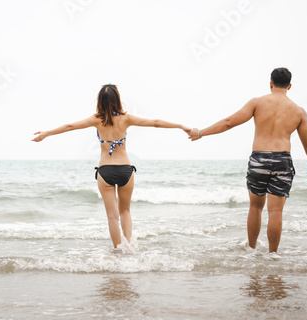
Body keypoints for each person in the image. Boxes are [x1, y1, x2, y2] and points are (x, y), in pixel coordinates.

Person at [33, 84, 191, 248]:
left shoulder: (96, 120)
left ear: (100, 101)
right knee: (125, 211)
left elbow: (69, 126)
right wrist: (181, 126)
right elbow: (155, 123)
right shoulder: (126, 119)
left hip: (105, 170)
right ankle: (129, 248)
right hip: (125, 170)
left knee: (112, 216)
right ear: (118, 100)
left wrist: (46, 133)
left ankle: (118, 250)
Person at [188, 68, 307, 253]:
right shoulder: (299, 111)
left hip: (259, 159)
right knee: (275, 211)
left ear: (271, 83)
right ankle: (272, 255)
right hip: (282, 160)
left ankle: (251, 250)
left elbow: (229, 122)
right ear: (289, 86)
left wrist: (201, 133)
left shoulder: (257, 103)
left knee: (255, 207)